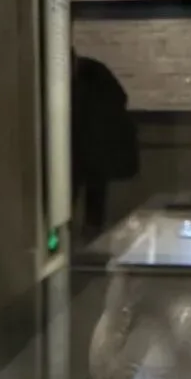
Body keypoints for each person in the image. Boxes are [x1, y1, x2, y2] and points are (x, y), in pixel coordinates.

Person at [71, 49, 138, 240]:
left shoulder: (91, 76)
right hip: (91, 144)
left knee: (84, 188)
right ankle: (90, 232)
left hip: (84, 144)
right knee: (94, 189)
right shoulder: (96, 73)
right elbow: (120, 98)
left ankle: (87, 231)